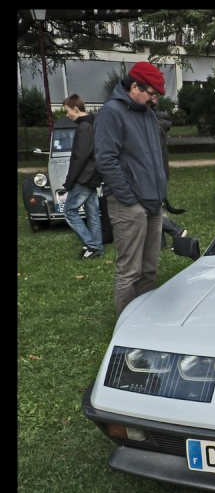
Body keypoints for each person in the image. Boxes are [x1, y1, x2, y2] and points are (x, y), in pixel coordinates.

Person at [94, 61, 168, 318]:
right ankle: (126, 328)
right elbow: (105, 160)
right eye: (152, 94)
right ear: (134, 86)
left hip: (153, 203)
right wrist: (128, 200)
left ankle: (144, 320)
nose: (154, 101)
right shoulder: (111, 113)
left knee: (149, 269)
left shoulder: (147, 114)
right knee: (130, 271)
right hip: (129, 206)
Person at [61, 94, 104, 259]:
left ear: (76, 109)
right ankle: (97, 248)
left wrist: (69, 181)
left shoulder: (84, 127)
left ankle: (92, 246)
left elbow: (80, 157)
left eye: (67, 111)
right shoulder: (91, 125)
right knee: (92, 212)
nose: (67, 115)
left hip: (85, 177)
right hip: (92, 176)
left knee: (69, 211)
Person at [154, 109, 189, 250]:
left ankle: (177, 231)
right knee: (157, 209)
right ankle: (160, 243)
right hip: (160, 174)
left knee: (152, 212)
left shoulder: (154, 129)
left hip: (154, 175)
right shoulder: (160, 129)